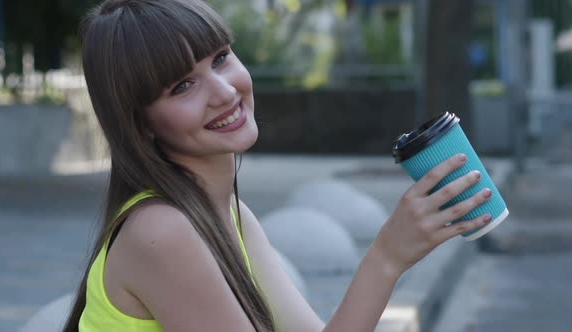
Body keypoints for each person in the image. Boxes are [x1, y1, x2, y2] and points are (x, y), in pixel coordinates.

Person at [63, 0, 494, 331]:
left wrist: (394, 257)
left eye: (220, 58)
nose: (224, 91)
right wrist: (386, 255)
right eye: (182, 86)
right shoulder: (159, 231)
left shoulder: (231, 215)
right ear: (142, 123)